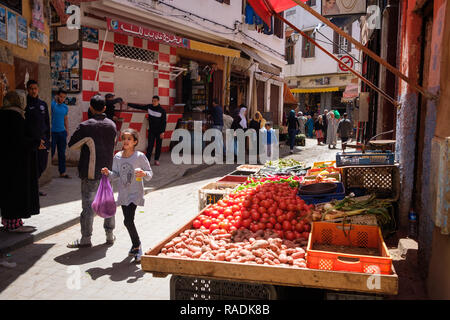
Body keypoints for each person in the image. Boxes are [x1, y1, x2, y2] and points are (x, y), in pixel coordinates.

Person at [67, 95, 117, 248]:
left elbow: (72, 145)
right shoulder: (112, 125)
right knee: (108, 203)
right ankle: (109, 236)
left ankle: (85, 239)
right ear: (105, 108)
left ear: (91, 108)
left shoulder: (86, 126)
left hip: (90, 173)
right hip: (108, 172)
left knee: (88, 206)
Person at [101, 128, 152, 263]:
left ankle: (138, 245)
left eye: (129, 139)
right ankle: (135, 246)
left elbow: (149, 173)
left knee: (128, 220)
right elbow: (115, 174)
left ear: (135, 142)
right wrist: (108, 173)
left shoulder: (140, 156)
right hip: (123, 194)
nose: (126, 141)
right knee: (127, 220)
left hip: (135, 193)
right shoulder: (117, 156)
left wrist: (144, 174)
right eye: (124, 138)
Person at [0, 91, 40, 233]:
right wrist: (35, 141)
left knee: (7, 192)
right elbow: (19, 140)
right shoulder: (15, 117)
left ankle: (9, 220)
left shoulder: (3, 114)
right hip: (15, 164)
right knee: (14, 193)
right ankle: (13, 224)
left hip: (5, 162)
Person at [25, 80, 50, 196]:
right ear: (27, 90)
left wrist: (48, 141)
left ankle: (34, 187)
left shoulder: (42, 104)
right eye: (31, 88)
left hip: (43, 140)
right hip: (31, 141)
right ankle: (33, 189)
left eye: (35, 88)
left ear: (38, 89)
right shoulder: (25, 104)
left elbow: (47, 123)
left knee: (42, 164)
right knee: (31, 166)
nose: (33, 91)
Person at [128, 96, 166, 166]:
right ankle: (147, 160)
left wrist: (162, 132)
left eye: (155, 101)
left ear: (158, 101)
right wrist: (128, 104)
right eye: (152, 101)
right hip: (151, 130)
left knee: (158, 146)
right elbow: (139, 107)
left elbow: (164, 122)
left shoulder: (162, 110)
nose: (153, 102)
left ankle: (156, 160)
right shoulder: (149, 107)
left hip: (159, 131)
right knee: (150, 146)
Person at [51, 88, 70, 179]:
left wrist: (67, 130)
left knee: (62, 153)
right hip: (52, 133)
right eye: (61, 96)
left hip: (62, 132)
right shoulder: (52, 104)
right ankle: (46, 172)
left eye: (64, 97)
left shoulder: (65, 107)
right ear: (57, 95)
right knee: (50, 152)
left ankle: (62, 172)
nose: (62, 99)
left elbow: (65, 119)